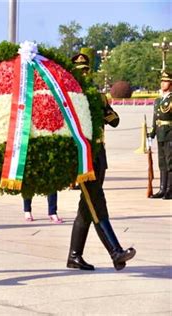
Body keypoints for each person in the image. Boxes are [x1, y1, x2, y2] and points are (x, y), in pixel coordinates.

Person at [66, 53, 136, 271]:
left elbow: (114, 120)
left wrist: (103, 111)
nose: (83, 74)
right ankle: (115, 252)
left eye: (86, 70)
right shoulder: (69, 98)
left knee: (86, 210)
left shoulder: (98, 97)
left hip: (99, 157)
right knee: (97, 204)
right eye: (79, 70)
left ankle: (74, 256)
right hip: (83, 160)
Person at [148, 71, 172, 199]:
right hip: (160, 133)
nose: (163, 83)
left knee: (170, 162)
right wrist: (151, 134)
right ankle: (162, 189)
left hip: (170, 133)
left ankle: (170, 189)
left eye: (166, 81)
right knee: (162, 162)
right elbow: (155, 118)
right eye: (162, 81)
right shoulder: (158, 100)